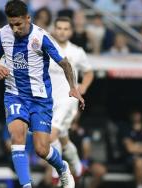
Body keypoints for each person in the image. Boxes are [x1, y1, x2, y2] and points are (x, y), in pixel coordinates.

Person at [0, 1, 84, 187]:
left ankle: (63, 168)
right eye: (11, 24)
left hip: (40, 99)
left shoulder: (41, 37)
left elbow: (64, 63)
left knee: (42, 149)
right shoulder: (3, 34)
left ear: (28, 18)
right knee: (17, 138)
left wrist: (73, 88)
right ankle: (27, 185)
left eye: (19, 24)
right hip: (14, 95)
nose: (15, 29)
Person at [49, 16, 94, 183]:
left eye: (65, 28)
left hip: (67, 101)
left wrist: (83, 87)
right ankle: (77, 166)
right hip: (49, 101)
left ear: (71, 31)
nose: (62, 31)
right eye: (59, 28)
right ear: (54, 29)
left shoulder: (77, 51)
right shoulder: (46, 49)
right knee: (62, 137)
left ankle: (59, 173)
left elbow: (89, 72)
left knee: (51, 135)